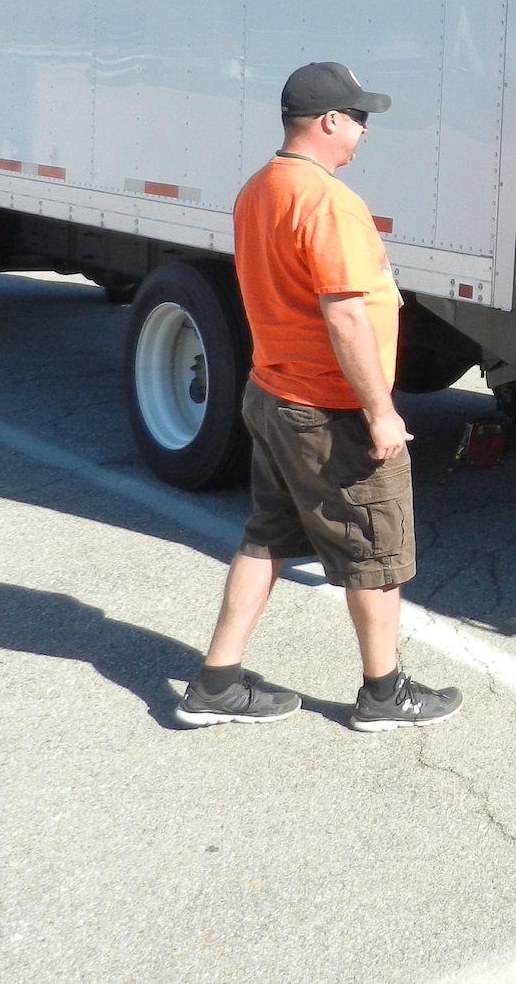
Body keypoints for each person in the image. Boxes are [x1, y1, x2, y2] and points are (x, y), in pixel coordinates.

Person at [176, 61, 462, 732]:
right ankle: (384, 695)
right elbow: (346, 315)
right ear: (329, 122)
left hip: (272, 392)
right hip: (326, 409)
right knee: (377, 555)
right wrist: (380, 412)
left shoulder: (259, 189)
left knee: (266, 538)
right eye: (359, 118)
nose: (363, 131)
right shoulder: (329, 202)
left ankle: (215, 683)